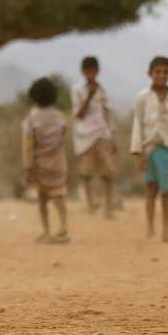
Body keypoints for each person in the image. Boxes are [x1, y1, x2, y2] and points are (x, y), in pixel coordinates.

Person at [129, 56, 168, 242]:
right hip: (149, 149)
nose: (161, 75)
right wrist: (138, 151)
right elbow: (137, 124)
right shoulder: (142, 98)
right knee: (150, 188)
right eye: (157, 72)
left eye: (165, 72)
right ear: (150, 73)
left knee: (166, 191)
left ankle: (166, 229)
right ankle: (150, 228)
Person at [22, 77, 70, 244]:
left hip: (39, 164)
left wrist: (28, 167)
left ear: (34, 97)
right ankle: (63, 227)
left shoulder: (31, 118)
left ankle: (46, 231)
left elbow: (28, 144)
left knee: (42, 198)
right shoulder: (59, 116)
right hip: (58, 162)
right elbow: (63, 133)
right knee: (59, 196)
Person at [72, 56, 117, 218]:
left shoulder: (103, 90)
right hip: (85, 136)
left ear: (97, 71)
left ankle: (108, 208)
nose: (91, 74)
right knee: (86, 173)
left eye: (94, 71)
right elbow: (79, 115)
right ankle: (90, 206)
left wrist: (113, 137)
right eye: (88, 71)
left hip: (103, 134)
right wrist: (89, 96)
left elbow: (108, 114)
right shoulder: (77, 90)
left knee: (108, 172)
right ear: (83, 72)